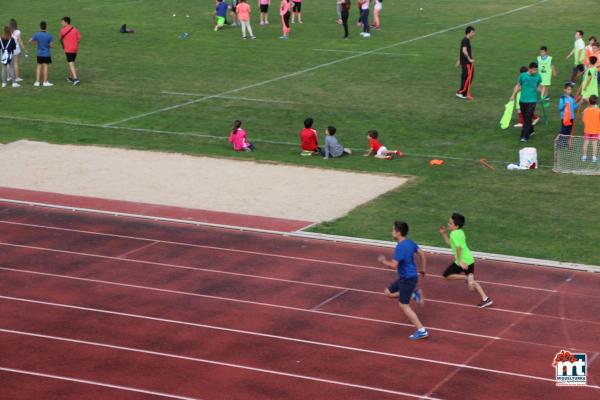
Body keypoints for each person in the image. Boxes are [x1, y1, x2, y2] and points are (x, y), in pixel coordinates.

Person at [379, 220, 428, 340]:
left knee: (403, 305)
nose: (391, 232)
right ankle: (413, 294)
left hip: (407, 279)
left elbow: (394, 265)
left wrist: (383, 261)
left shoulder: (400, 247)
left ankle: (421, 330)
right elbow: (421, 253)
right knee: (388, 292)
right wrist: (422, 269)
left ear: (398, 233)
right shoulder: (410, 243)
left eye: (393, 230)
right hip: (407, 277)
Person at [439, 213, 493, 309]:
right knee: (471, 286)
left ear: (456, 226)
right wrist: (443, 234)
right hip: (469, 259)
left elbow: (458, 247)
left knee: (447, 275)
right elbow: (451, 243)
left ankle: (467, 278)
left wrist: (459, 261)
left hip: (463, 261)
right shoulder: (460, 232)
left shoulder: (454, 234)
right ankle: (486, 299)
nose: (448, 224)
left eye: (450, 223)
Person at [510, 62, 543, 142]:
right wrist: (513, 95)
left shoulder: (538, 76)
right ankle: (531, 130)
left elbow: (539, 87)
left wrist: (542, 92)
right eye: (534, 70)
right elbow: (518, 86)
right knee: (526, 118)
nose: (535, 71)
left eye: (536, 70)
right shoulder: (523, 76)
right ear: (529, 69)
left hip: (532, 101)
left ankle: (524, 136)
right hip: (522, 100)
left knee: (528, 118)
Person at [29, 21, 53, 87]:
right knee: (45, 67)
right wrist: (47, 45)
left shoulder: (37, 34)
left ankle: (37, 82)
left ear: (40, 27)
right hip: (46, 54)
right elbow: (51, 46)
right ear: (46, 27)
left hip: (39, 54)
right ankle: (45, 82)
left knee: (38, 66)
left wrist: (36, 43)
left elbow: (30, 41)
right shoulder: (49, 35)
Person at [556, 83, 580, 148]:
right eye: (568, 89)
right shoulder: (562, 99)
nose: (569, 91)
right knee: (564, 130)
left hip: (571, 117)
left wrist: (579, 103)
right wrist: (563, 106)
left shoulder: (572, 98)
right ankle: (559, 143)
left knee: (569, 131)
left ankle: (566, 142)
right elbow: (559, 108)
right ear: (565, 90)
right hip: (564, 118)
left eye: (571, 89)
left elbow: (574, 107)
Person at [59, 17, 81, 86]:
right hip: (75, 48)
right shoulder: (75, 29)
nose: (61, 23)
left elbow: (60, 39)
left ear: (66, 22)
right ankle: (70, 77)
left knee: (71, 63)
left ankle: (75, 78)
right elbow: (79, 38)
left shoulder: (62, 30)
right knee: (72, 61)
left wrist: (64, 45)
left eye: (62, 22)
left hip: (68, 49)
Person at [456, 26, 475, 100]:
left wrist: (459, 59)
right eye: (472, 32)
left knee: (466, 77)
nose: (474, 34)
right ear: (469, 32)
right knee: (468, 77)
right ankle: (461, 92)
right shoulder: (465, 40)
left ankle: (463, 92)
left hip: (465, 62)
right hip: (467, 63)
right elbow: (464, 51)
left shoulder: (466, 40)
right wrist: (470, 59)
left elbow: (462, 51)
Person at [581, 95, 599, 162]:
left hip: (587, 130)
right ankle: (594, 158)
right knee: (594, 144)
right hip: (595, 131)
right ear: (596, 102)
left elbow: (584, 120)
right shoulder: (598, 111)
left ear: (589, 102)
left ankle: (584, 157)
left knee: (586, 143)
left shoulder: (585, 110)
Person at [8, 19, 25, 84]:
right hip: (16, 49)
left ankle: (8, 77)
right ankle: (17, 77)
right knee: (16, 63)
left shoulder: (8, 31)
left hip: (9, 49)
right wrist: (24, 48)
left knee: (8, 64)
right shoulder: (18, 31)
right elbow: (20, 41)